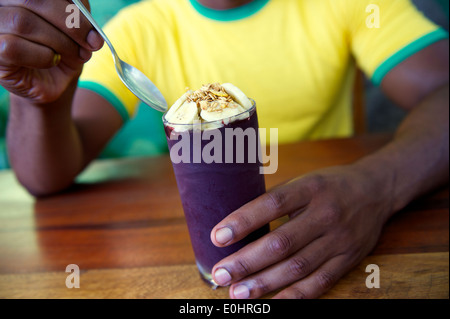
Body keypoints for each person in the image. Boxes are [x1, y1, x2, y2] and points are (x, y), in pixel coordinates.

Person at [0, 0, 448, 299]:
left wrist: (378, 185)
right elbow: (46, 176)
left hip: (332, 239)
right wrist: (39, 96)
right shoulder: (140, 27)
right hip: (195, 263)